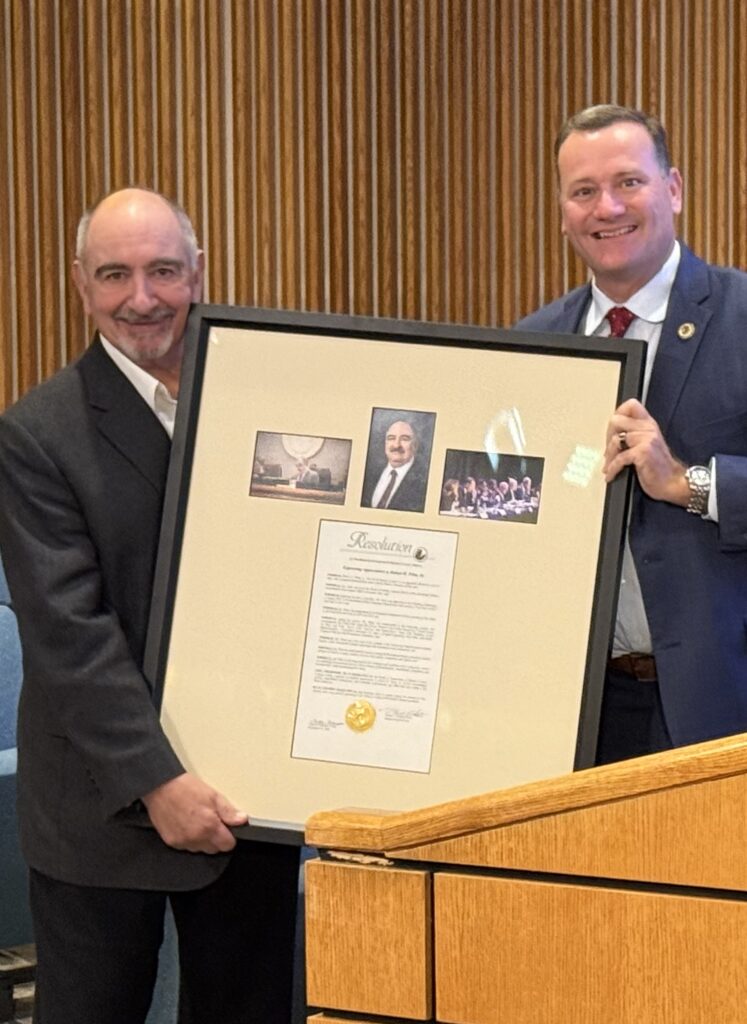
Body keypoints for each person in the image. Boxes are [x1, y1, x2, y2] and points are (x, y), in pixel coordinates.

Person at [0, 188, 300, 1023]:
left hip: (248, 800)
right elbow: (70, 640)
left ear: (197, 272)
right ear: (80, 284)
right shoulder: (37, 434)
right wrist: (158, 781)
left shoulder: (270, 402)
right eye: (115, 275)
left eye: (164, 270)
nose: (142, 298)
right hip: (101, 809)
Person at [515, 104, 747, 764]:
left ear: (671, 189)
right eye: (582, 192)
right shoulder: (533, 344)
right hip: (576, 716)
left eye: (628, 182)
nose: (605, 208)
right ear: (561, 212)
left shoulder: (739, 315)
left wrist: (688, 484)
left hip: (720, 710)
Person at [361, 417, 429, 511]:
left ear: (415, 445)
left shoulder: (425, 481)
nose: (396, 445)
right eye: (391, 438)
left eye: (405, 439)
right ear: (385, 443)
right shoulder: (369, 474)